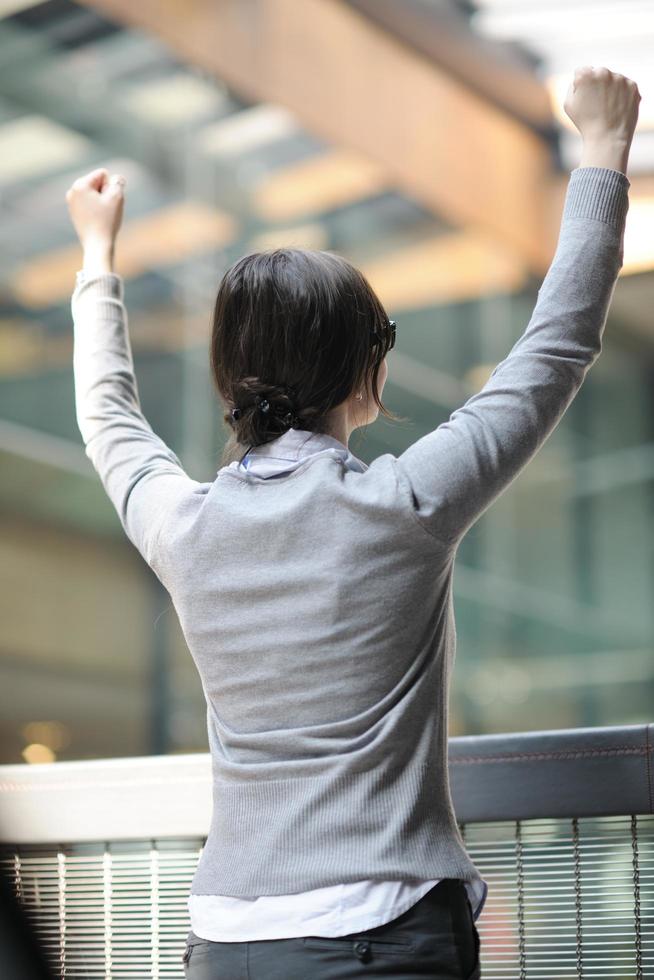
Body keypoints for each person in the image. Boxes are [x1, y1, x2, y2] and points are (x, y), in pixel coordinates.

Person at [66, 65, 639, 980]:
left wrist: (98, 259)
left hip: (225, 946)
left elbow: (108, 417)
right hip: (381, 938)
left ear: (229, 377)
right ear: (363, 370)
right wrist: (605, 151)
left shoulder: (186, 527)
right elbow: (558, 342)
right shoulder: (403, 505)